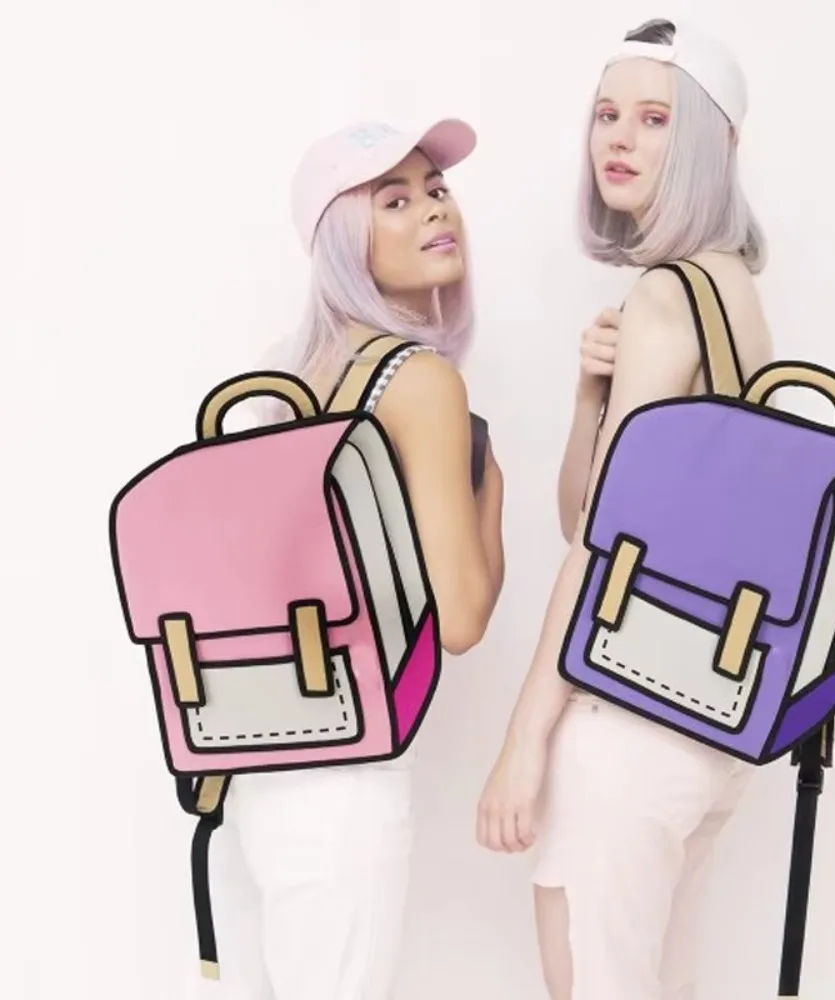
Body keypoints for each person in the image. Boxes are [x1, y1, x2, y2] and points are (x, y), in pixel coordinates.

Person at [477, 18, 773, 1000]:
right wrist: (589, 398)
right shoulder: (728, 292)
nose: (619, 138)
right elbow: (592, 515)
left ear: (715, 142)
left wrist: (524, 739)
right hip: (705, 722)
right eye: (608, 114)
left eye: (656, 118)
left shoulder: (664, 299)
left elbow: (602, 545)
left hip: (625, 724)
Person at [211, 117, 505, 1000]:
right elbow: (460, 619)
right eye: (394, 200)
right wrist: (492, 486)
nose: (435, 209)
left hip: (256, 775)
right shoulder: (419, 380)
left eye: (436, 189)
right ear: (342, 240)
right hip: (345, 783)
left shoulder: (289, 377)